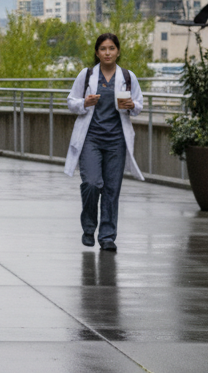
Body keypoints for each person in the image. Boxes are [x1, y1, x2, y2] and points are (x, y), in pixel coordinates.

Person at [64, 33, 144, 252]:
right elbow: (71, 102)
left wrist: (131, 106)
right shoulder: (87, 75)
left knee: (111, 189)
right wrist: (84, 102)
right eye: (103, 49)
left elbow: (139, 104)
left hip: (117, 140)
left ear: (117, 51)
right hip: (91, 138)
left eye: (111, 48)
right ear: (97, 52)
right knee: (91, 183)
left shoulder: (128, 76)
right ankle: (89, 227)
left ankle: (107, 236)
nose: (107, 53)